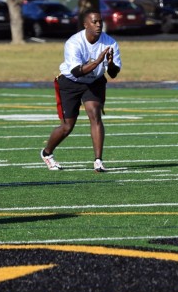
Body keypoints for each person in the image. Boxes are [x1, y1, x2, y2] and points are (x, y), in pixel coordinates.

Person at [40, 9, 122, 172]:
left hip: (94, 82)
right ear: (85, 25)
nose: (98, 25)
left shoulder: (110, 42)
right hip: (71, 82)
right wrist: (99, 61)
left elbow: (113, 73)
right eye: (94, 22)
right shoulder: (74, 42)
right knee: (67, 126)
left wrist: (110, 63)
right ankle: (47, 153)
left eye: (100, 21)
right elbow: (77, 71)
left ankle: (98, 161)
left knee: (95, 114)